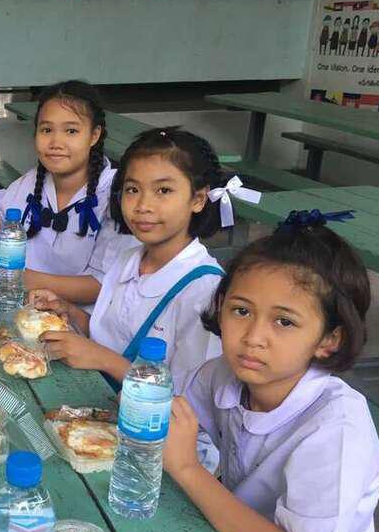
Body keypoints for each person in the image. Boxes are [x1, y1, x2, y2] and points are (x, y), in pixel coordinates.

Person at [164, 214, 379, 532]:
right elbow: (167, 427)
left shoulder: (337, 429)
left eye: (284, 321)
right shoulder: (221, 375)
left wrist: (187, 469)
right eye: (241, 311)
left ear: (329, 339)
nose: (253, 337)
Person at [29, 128, 252, 387]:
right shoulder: (128, 260)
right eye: (133, 189)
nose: (143, 205)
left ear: (198, 199)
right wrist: (68, 311)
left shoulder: (204, 291)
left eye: (163, 190)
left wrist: (104, 360)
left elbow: (187, 399)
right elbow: (108, 337)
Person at [0, 81, 137, 306]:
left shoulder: (118, 195)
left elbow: (105, 285)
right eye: (46, 130)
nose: (56, 142)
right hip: (25, 309)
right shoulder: (35, 180)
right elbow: (0, 210)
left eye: (71, 131)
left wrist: (25, 279)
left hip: (81, 320)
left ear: (94, 135)